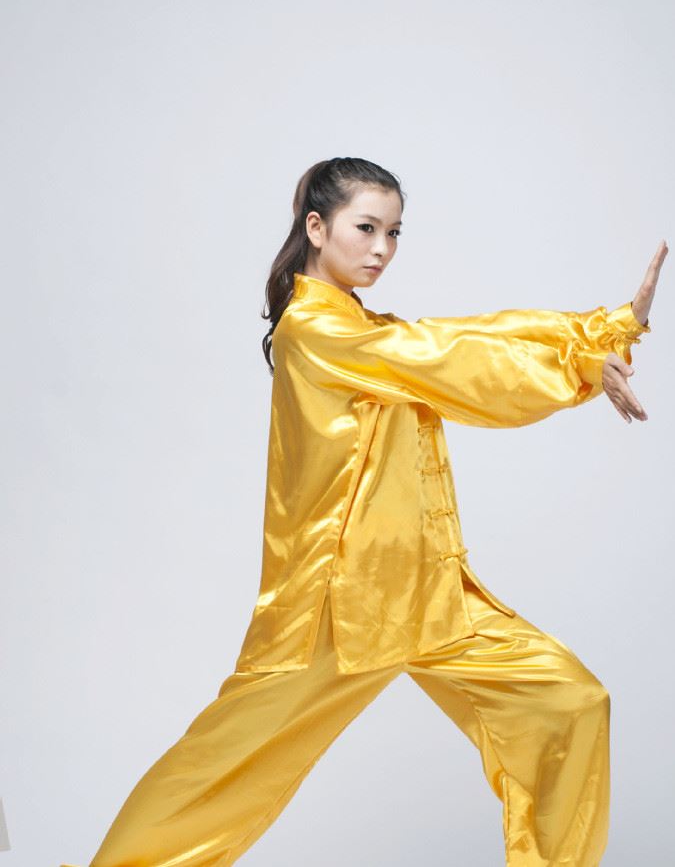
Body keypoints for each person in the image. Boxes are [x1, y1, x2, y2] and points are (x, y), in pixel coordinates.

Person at [61, 158, 666, 867]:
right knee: (221, 767)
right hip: (336, 610)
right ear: (316, 228)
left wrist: (606, 330)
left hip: (428, 595)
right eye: (367, 228)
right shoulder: (315, 330)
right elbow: (447, 360)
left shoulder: (360, 325)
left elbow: (460, 335)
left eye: (394, 233)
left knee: (569, 703)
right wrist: (579, 364)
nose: (382, 248)